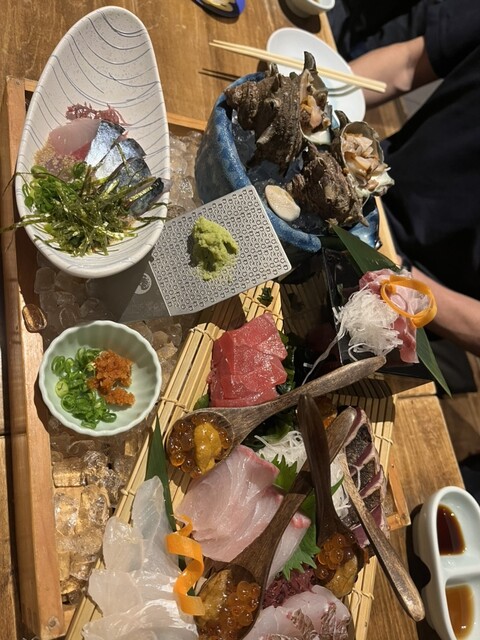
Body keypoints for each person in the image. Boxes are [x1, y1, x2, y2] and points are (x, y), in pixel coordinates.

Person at [332, 0, 480, 359]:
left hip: (420, 295)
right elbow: (408, 65)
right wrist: (324, 108)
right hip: (368, 187)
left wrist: (401, 274)